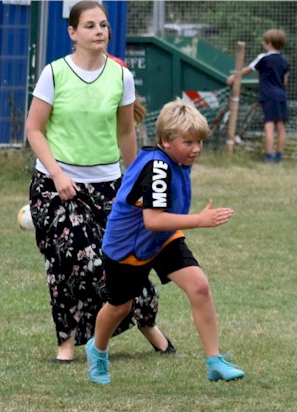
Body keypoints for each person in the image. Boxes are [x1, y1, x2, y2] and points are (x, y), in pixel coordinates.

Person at [25, 0, 172, 364]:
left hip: (109, 186)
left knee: (123, 262)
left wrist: (135, 179)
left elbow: (125, 133)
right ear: (73, 33)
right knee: (72, 262)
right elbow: (34, 129)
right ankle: (67, 341)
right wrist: (57, 173)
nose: (99, 32)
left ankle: (146, 323)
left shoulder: (121, 76)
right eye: (90, 26)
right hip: (56, 186)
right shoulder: (54, 73)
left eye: (103, 25)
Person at [85, 99, 245, 384]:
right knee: (120, 307)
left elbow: (161, 224)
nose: (196, 149)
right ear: (165, 142)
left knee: (199, 286)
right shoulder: (157, 167)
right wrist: (199, 220)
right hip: (128, 248)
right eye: (188, 142)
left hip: (161, 239)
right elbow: (153, 219)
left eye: (199, 142)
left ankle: (214, 361)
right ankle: (97, 350)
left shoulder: (178, 160)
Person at [226, 29, 289, 162]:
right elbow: (285, 81)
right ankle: (279, 155)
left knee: (269, 124)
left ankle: (269, 155)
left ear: (269, 43)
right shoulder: (284, 61)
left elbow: (248, 69)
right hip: (281, 95)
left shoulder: (263, 58)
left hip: (268, 95)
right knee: (281, 125)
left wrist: (234, 76)